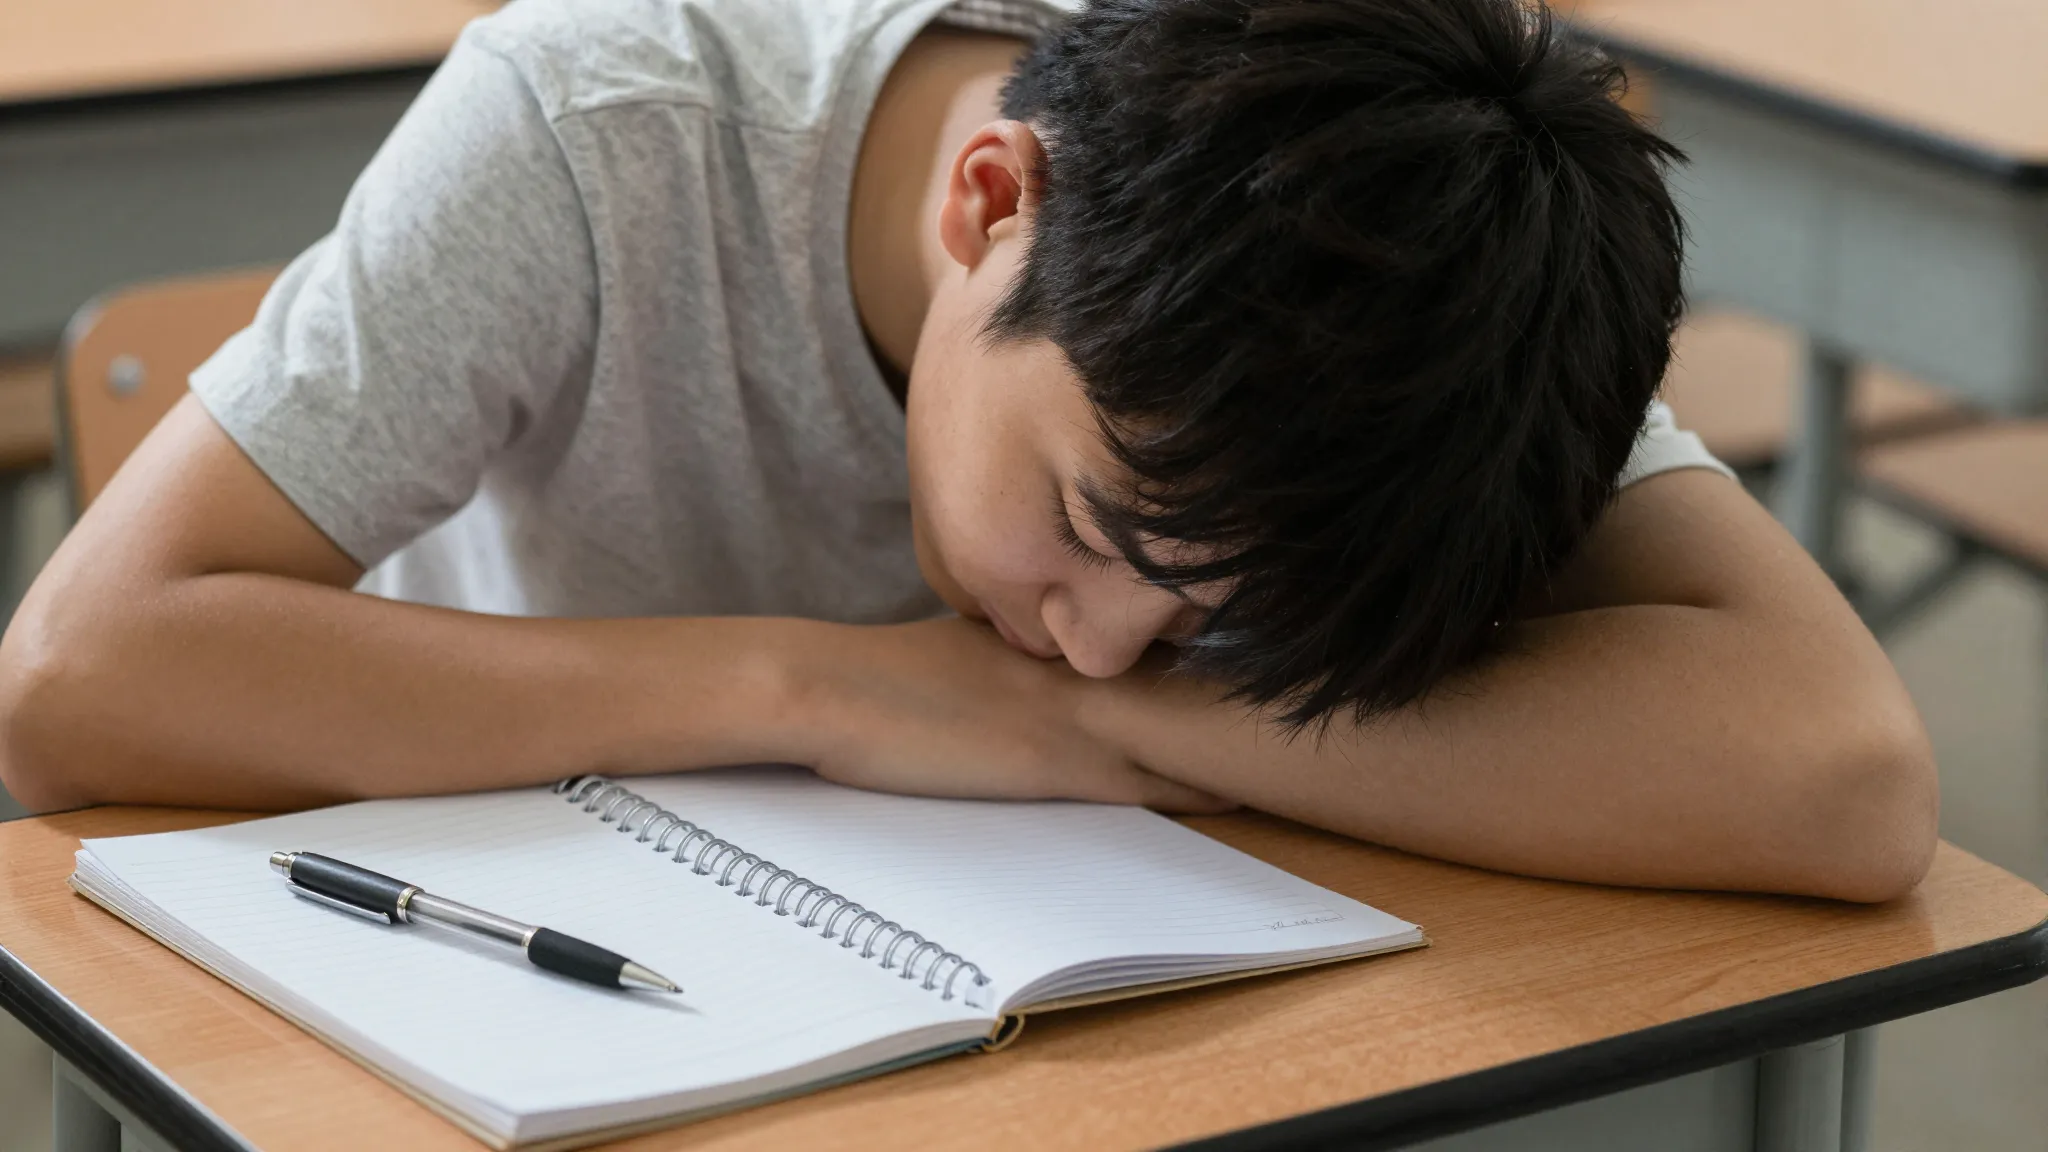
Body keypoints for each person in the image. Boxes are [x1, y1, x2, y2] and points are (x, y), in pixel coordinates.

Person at [0, 0, 1935, 902]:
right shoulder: (596, 129)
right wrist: (823, 689)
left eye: (1214, 624)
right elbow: (78, 682)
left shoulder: (1412, 279)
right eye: (1098, 527)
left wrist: (1116, 733)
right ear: (986, 203)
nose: (1096, 638)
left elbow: (1839, 780)